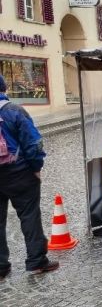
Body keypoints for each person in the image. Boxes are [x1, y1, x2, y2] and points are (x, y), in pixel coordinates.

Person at [0, 75, 58, 279]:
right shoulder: (14, 111)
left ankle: (1, 267)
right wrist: (36, 167)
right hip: (19, 173)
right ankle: (36, 262)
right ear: (4, 89)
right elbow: (33, 144)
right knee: (29, 215)